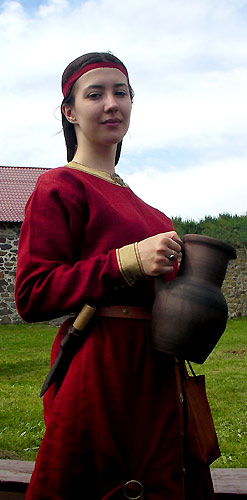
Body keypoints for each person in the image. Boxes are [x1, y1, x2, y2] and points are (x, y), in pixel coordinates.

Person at [15, 52, 216, 500]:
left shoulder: (153, 213)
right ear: (70, 111)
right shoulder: (59, 186)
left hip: (157, 378)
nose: (111, 104)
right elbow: (32, 295)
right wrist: (126, 261)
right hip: (99, 373)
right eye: (95, 94)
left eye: (121, 92)